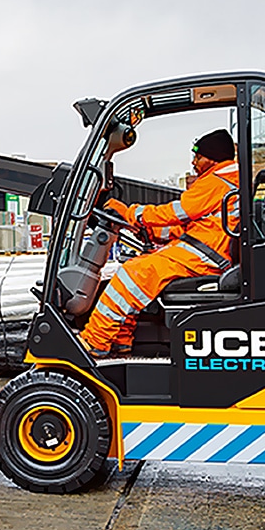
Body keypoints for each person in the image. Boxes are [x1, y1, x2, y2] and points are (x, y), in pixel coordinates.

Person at [78, 128, 240, 358]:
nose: (194, 162)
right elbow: (195, 224)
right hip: (207, 250)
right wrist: (149, 231)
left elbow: (179, 212)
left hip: (204, 256)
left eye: (198, 156)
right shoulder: (226, 179)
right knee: (136, 270)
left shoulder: (218, 180)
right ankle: (121, 342)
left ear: (212, 158)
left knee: (132, 274)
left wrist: (131, 213)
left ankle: (95, 342)